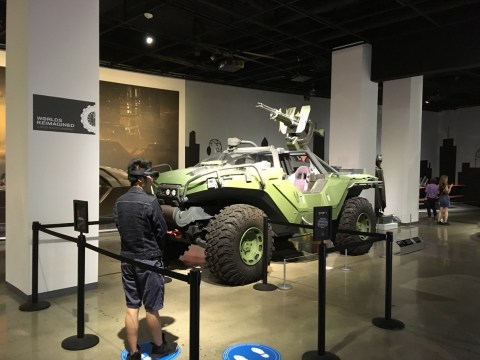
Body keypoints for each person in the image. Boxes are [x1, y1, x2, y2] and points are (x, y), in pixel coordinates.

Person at [113, 159, 177, 360]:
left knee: (132, 306)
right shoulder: (150, 202)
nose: (152, 181)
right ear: (144, 179)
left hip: (127, 259)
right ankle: (159, 346)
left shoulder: (119, 202)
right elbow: (160, 230)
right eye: (150, 177)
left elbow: (119, 227)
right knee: (152, 308)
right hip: (149, 261)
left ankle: (134, 353)